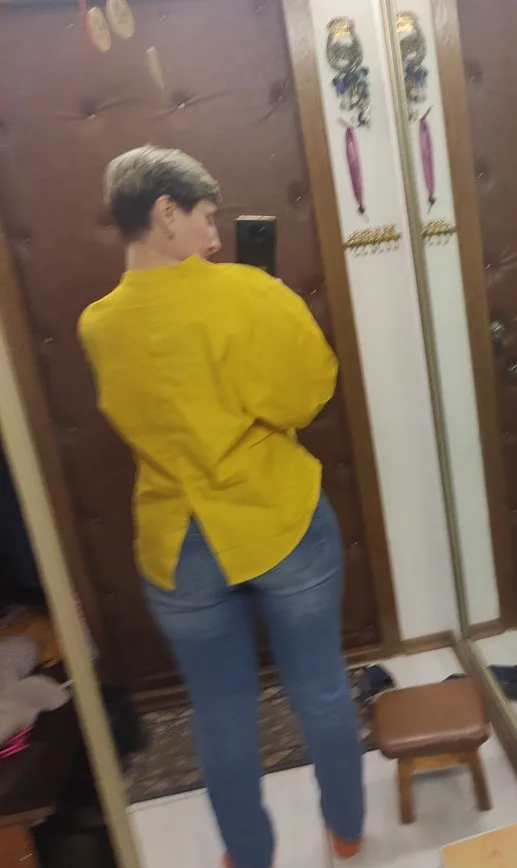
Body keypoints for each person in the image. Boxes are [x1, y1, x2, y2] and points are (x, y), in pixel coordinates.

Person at [78, 146, 364, 868]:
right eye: (206, 217)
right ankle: (346, 829)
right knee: (320, 687)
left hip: (177, 542)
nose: (214, 236)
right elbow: (305, 397)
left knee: (220, 714)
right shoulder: (247, 292)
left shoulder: (97, 324)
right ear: (165, 212)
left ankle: (248, 853)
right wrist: (272, 308)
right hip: (278, 518)